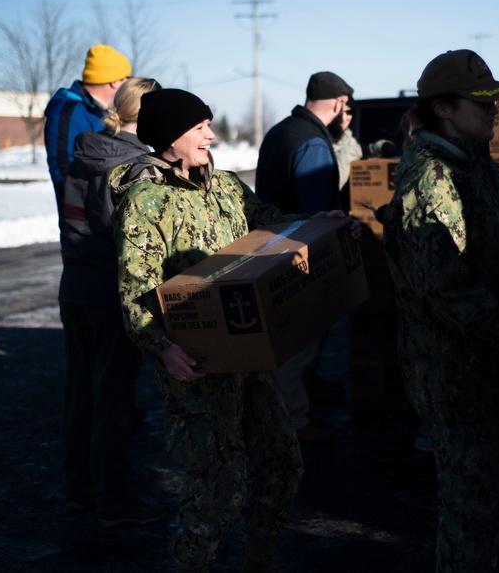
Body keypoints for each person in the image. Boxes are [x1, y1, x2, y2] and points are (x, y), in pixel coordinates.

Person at [111, 88, 357, 573]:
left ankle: (260, 560)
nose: (212, 134)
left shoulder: (224, 186)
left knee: (282, 462)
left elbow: (269, 225)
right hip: (197, 368)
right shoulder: (145, 202)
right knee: (217, 487)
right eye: (200, 126)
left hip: (248, 358)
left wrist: (316, 223)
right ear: (170, 136)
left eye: (209, 124)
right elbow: (133, 291)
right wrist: (161, 348)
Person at [382, 50, 499, 572]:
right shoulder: (432, 180)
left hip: (493, 368)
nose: (495, 111)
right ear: (443, 108)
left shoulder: (478, 166)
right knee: (472, 517)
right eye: (482, 102)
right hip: (458, 376)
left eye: (496, 101)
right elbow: (448, 292)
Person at [58, 77, 166, 528]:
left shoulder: (89, 151)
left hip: (74, 286)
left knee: (80, 392)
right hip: (108, 291)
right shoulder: (131, 165)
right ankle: (116, 501)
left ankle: (78, 489)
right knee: (113, 399)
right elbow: (121, 235)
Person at [255, 71, 354, 442]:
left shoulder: (284, 130)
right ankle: (291, 424)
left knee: (285, 345)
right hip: (298, 257)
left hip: (272, 247)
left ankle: (288, 416)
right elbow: (316, 213)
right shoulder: (312, 142)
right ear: (339, 102)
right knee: (296, 348)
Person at [44, 44, 132, 223]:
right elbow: (63, 169)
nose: (129, 84)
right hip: (85, 229)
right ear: (114, 81)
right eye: (127, 78)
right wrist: (94, 207)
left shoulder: (98, 111)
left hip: (104, 221)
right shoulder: (69, 111)